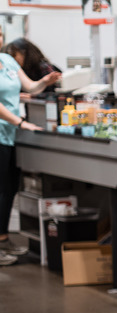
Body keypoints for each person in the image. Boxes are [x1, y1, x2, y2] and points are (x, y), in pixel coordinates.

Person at [0, 51, 60, 265]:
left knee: (9, 189)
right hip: (6, 129)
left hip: (9, 135)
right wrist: (20, 122)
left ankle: (3, 238)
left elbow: (30, 87)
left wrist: (44, 81)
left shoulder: (7, 61)